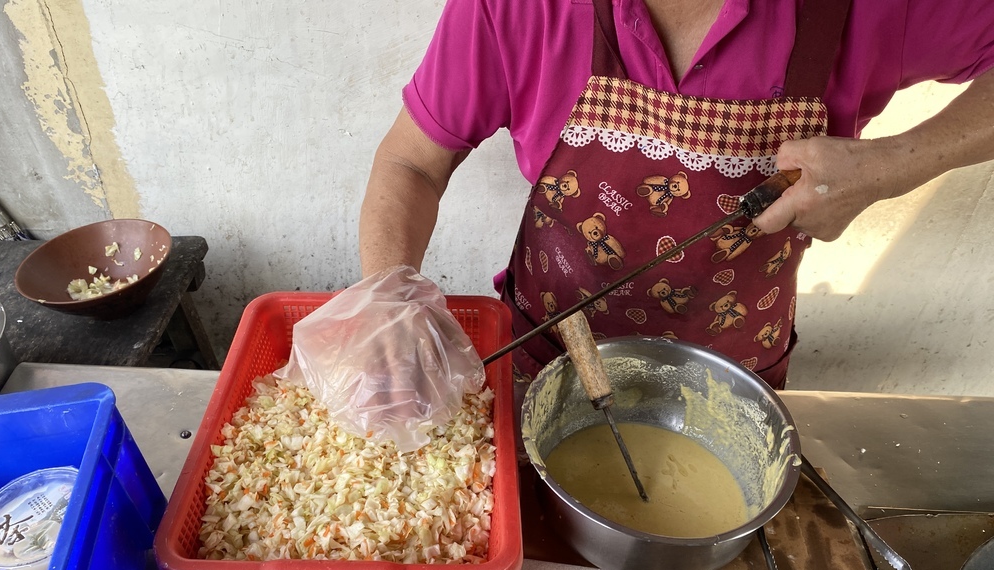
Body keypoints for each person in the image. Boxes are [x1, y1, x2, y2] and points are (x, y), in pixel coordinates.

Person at [358, 0, 994, 389]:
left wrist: (888, 168)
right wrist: (388, 299)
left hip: (730, 386)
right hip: (544, 365)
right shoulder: (519, 7)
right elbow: (412, 164)